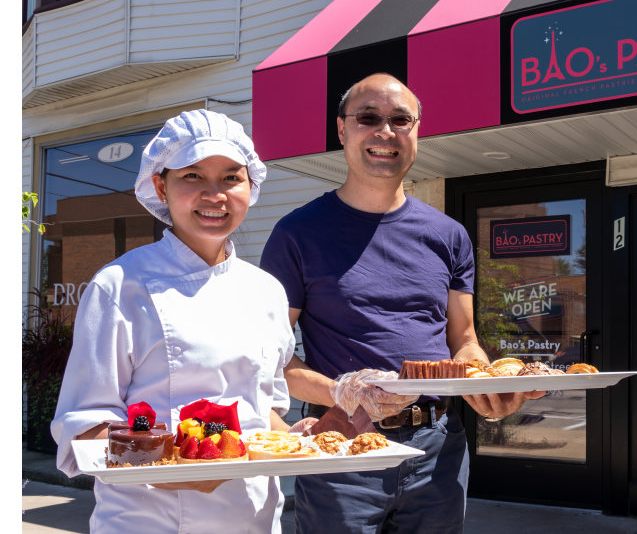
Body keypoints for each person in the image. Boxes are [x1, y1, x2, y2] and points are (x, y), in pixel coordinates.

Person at [260, 73, 545, 533]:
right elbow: (273, 361)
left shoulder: (447, 234)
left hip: (438, 448)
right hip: (343, 445)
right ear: (341, 129)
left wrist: (487, 384)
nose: (384, 132)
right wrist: (342, 391)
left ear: (416, 131)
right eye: (368, 118)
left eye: (400, 120)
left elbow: (464, 341)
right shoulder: (297, 234)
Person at [51, 110, 297, 533]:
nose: (215, 195)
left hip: (255, 518)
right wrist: (174, 471)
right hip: (150, 520)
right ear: (161, 187)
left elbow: (262, 413)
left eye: (231, 178)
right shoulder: (120, 286)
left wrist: (304, 438)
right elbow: (86, 430)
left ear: (251, 186)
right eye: (193, 177)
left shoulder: (267, 291)